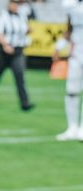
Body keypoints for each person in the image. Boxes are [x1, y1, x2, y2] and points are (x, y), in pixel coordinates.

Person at [0, 0, 35, 110]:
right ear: (9, 4)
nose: (16, 6)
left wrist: (27, 32)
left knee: (20, 76)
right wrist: (6, 45)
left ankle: (25, 103)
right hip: (3, 51)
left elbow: (26, 30)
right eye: (14, 3)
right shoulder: (3, 16)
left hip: (17, 50)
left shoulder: (22, 16)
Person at [56, 0, 83, 140]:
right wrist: (59, 47)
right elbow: (69, 29)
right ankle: (71, 127)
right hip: (76, 54)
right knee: (71, 91)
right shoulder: (71, 6)